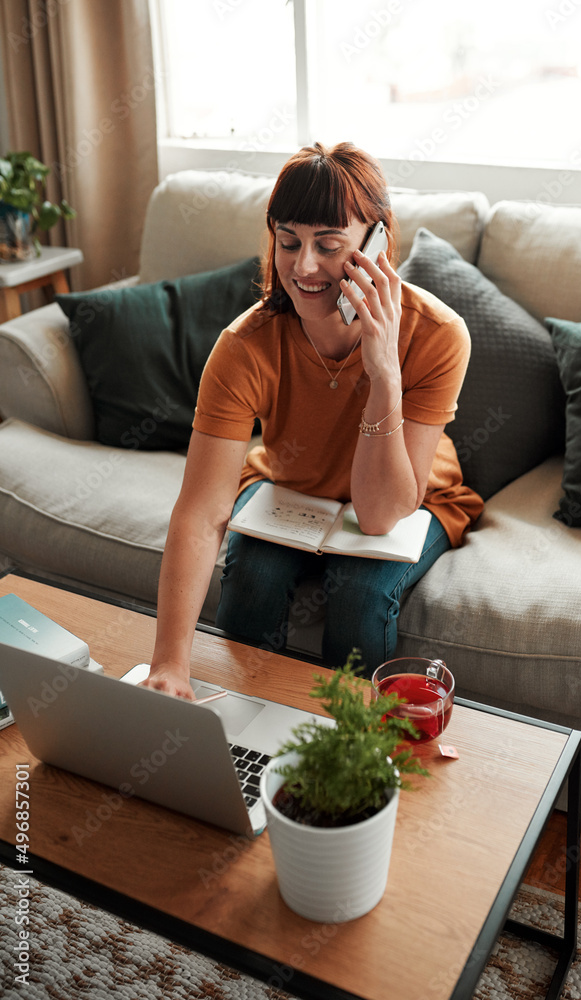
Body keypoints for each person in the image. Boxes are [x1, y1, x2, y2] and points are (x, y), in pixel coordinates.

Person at [144, 141, 483, 699]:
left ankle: (347, 751)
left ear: (378, 243)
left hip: (406, 501)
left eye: (328, 246)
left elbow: (378, 516)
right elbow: (202, 513)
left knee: (358, 594)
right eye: (288, 242)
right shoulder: (244, 346)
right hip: (290, 489)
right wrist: (169, 665)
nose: (304, 266)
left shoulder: (439, 335)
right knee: (252, 580)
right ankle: (252, 732)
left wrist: (384, 378)